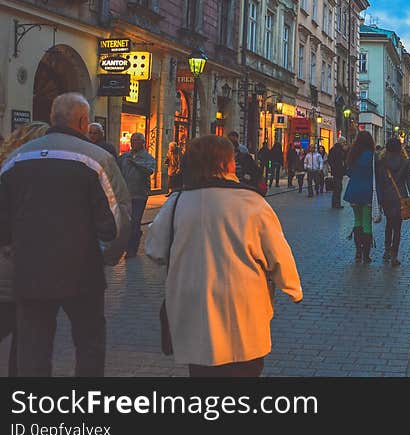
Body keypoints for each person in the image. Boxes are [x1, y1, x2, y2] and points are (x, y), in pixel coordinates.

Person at [145, 135, 302, 377]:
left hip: (194, 305)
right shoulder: (251, 202)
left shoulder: (177, 202)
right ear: (227, 164)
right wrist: (292, 288)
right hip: (243, 307)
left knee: (202, 372)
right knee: (244, 369)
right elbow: (278, 253)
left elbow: (155, 250)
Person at [0, 93, 131, 376]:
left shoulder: (16, 158)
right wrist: (107, 255)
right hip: (82, 271)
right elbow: (115, 220)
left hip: (30, 269)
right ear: (84, 121)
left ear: (52, 118)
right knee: (89, 344)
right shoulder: (96, 159)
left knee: (33, 347)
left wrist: (11, 246)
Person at [0, 121, 50, 377]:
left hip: (13, 262)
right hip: (20, 264)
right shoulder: (30, 171)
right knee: (24, 336)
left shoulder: (7, 164)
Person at [375, 138, 410, 266]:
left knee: (389, 223)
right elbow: (409, 183)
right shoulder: (405, 162)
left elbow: (379, 181)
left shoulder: (382, 161)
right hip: (401, 198)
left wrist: (378, 199)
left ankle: (387, 250)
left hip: (386, 197)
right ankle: (394, 255)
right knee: (397, 227)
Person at [118, 132, 157, 260]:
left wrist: (135, 164)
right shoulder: (124, 157)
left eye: (136, 141)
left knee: (135, 221)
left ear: (143, 142)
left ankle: (131, 250)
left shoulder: (148, 158)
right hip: (125, 195)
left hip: (140, 195)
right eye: (132, 140)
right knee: (126, 223)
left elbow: (149, 171)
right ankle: (132, 239)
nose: (133, 143)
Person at [343, 132, 376, 263]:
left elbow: (349, 172)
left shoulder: (353, 154)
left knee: (357, 221)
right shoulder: (373, 156)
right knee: (367, 223)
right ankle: (366, 255)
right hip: (367, 192)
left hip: (354, 191)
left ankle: (358, 252)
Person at [327, 138, 348, 209]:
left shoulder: (340, 149)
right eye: (344, 142)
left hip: (339, 171)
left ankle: (336, 203)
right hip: (337, 171)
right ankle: (336, 204)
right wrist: (334, 167)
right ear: (340, 142)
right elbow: (330, 160)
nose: (344, 144)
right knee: (338, 187)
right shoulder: (335, 150)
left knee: (338, 188)